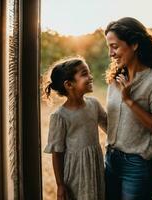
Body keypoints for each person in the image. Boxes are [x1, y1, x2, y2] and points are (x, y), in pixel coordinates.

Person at [104, 17, 152, 200]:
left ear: (134, 44)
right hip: (110, 161)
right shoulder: (115, 80)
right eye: (109, 47)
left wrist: (130, 101)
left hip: (138, 168)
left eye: (115, 46)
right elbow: (115, 125)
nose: (111, 53)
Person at [44, 56, 107, 200]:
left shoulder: (94, 104)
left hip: (95, 167)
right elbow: (57, 154)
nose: (91, 77)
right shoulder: (60, 116)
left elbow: (110, 128)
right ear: (69, 84)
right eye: (84, 74)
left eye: (89, 73)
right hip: (76, 172)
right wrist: (60, 185)